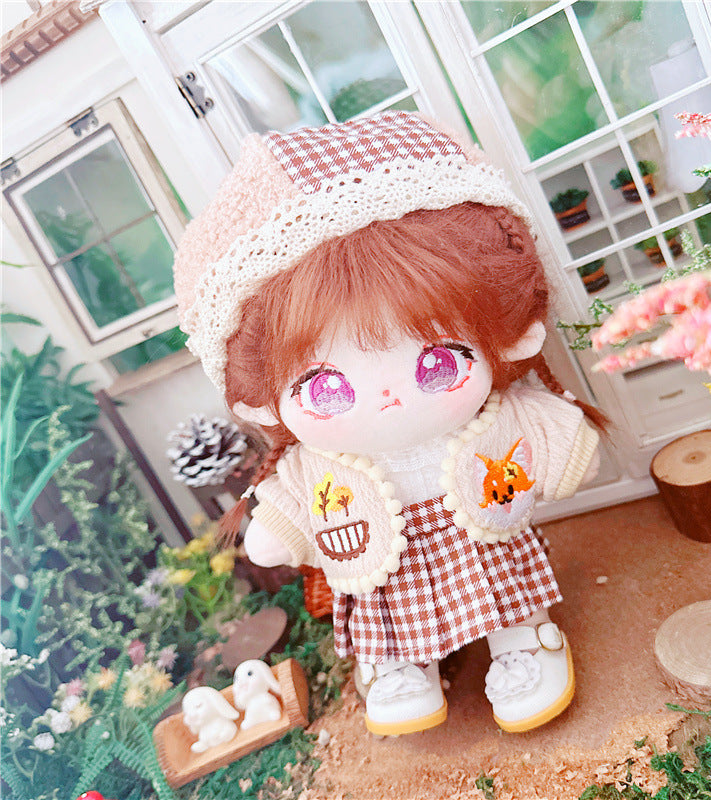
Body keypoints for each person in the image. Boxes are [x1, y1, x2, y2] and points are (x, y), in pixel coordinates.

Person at [173, 111, 603, 736]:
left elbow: (551, 439)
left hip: (487, 553)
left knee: (505, 583)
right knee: (384, 609)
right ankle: (399, 660)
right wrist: (280, 530)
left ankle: (522, 636)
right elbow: (290, 504)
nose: (389, 401)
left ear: (506, 336)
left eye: (436, 362)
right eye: (326, 387)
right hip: (382, 572)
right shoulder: (317, 464)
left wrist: (564, 450)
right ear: (264, 401)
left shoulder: (497, 417)